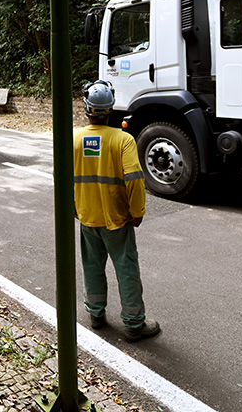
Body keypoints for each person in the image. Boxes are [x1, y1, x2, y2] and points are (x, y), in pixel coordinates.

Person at [73, 80, 160, 342]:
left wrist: (74, 208)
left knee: (91, 266)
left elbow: (62, 177)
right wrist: (137, 211)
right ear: (111, 110)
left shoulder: (75, 139)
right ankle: (134, 324)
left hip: (87, 217)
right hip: (117, 220)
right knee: (126, 269)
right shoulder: (123, 140)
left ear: (86, 109)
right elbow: (134, 179)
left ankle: (96, 314)